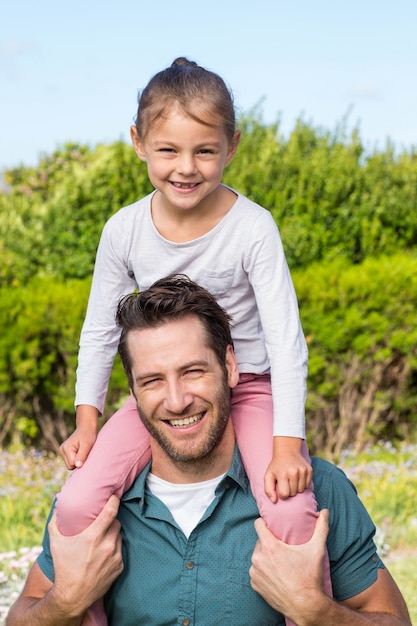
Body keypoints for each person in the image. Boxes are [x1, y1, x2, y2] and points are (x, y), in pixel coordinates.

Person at [58, 56, 326, 625]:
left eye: (204, 150)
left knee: (290, 509)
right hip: (161, 393)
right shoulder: (123, 230)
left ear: (231, 145)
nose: (187, 168)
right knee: (77, 503)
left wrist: (286, 445)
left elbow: (286, 341)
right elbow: (100, 331)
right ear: (138, 142)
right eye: (168, 150)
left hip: (249, 388)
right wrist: (87, 418)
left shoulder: (253, 227)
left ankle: (312, 613)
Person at [7, 275, 411, 625]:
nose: (177, 399)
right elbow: (23, 615)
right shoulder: (92, 504)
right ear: (131, 392)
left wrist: (313, 609)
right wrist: (66, 602)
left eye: (193, 371)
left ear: (231, 367)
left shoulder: (315, 489)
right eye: (152, 381)